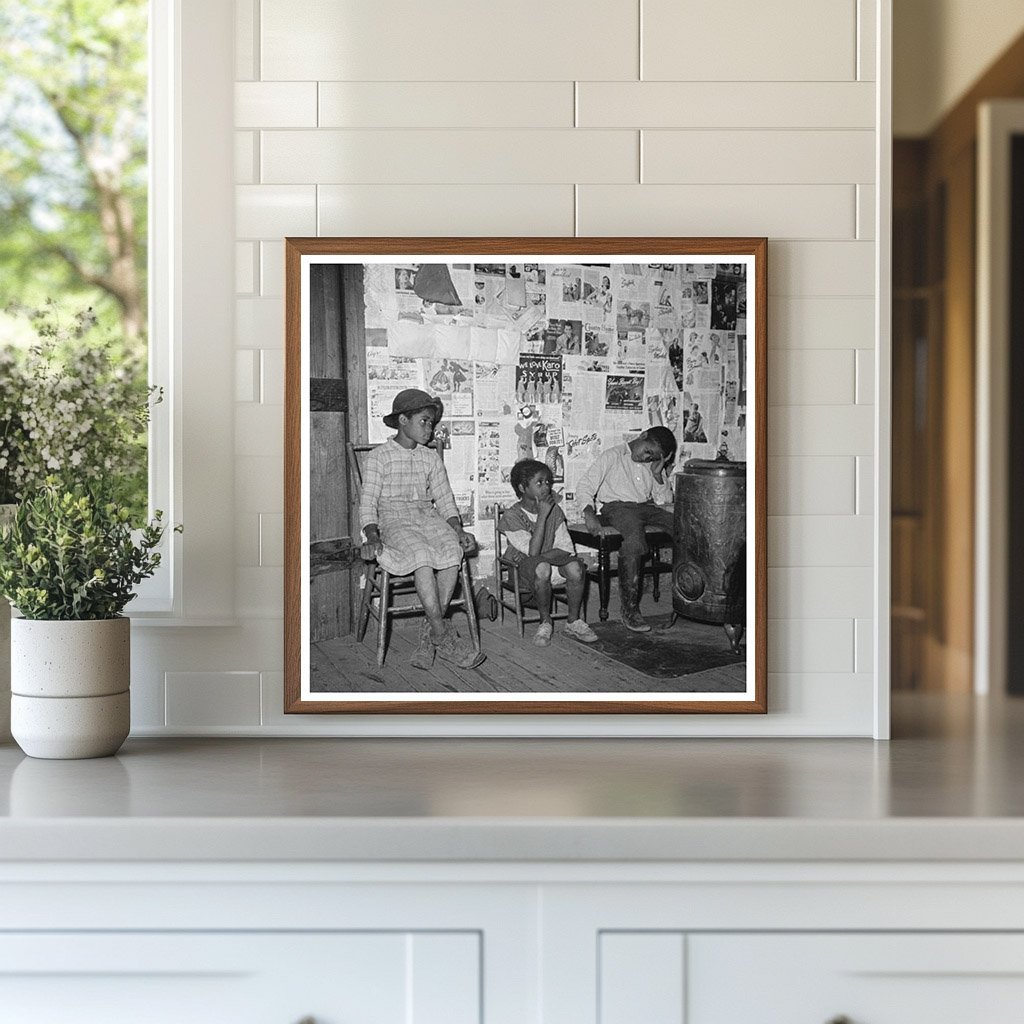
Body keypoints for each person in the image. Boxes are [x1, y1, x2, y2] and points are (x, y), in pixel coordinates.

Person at [358, 388, 484, 670]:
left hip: (427, 517)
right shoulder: (379, 457)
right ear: (403, 420)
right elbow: (367, 504)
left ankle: (429, 635)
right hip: (393, 519)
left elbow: (445, 500)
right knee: (422, 556)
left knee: (452, 551)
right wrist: (373, 536)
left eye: (432, 423)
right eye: (424, 421)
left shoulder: (430, 458)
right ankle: (441, 633)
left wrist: (458, 529)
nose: (430, 428)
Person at [576, 426, 677, 632]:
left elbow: (664, 500)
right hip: (617, 508)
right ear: (642, 436)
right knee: (634, 539)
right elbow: (585, 485)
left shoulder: (651, 466)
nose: (646, 458)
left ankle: (693, 595)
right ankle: (629, 609)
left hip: (646, 507)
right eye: (648, 451)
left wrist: (658, 474)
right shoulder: (613, 455)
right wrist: (588, 514)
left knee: (682, 526)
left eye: (653, 457)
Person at [498, 460, 598, 647]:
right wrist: (542, 516)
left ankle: (573, 621)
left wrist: (542, 557)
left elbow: (566, 548)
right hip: (523, 572)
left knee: (576, 567)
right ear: (522, 487)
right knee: (541, 567)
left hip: (550, 564)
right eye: (539, 483)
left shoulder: (555, 510)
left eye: (548, 482)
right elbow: (531, 551)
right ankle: (545, 622)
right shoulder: (512, 516)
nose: (546, 487)